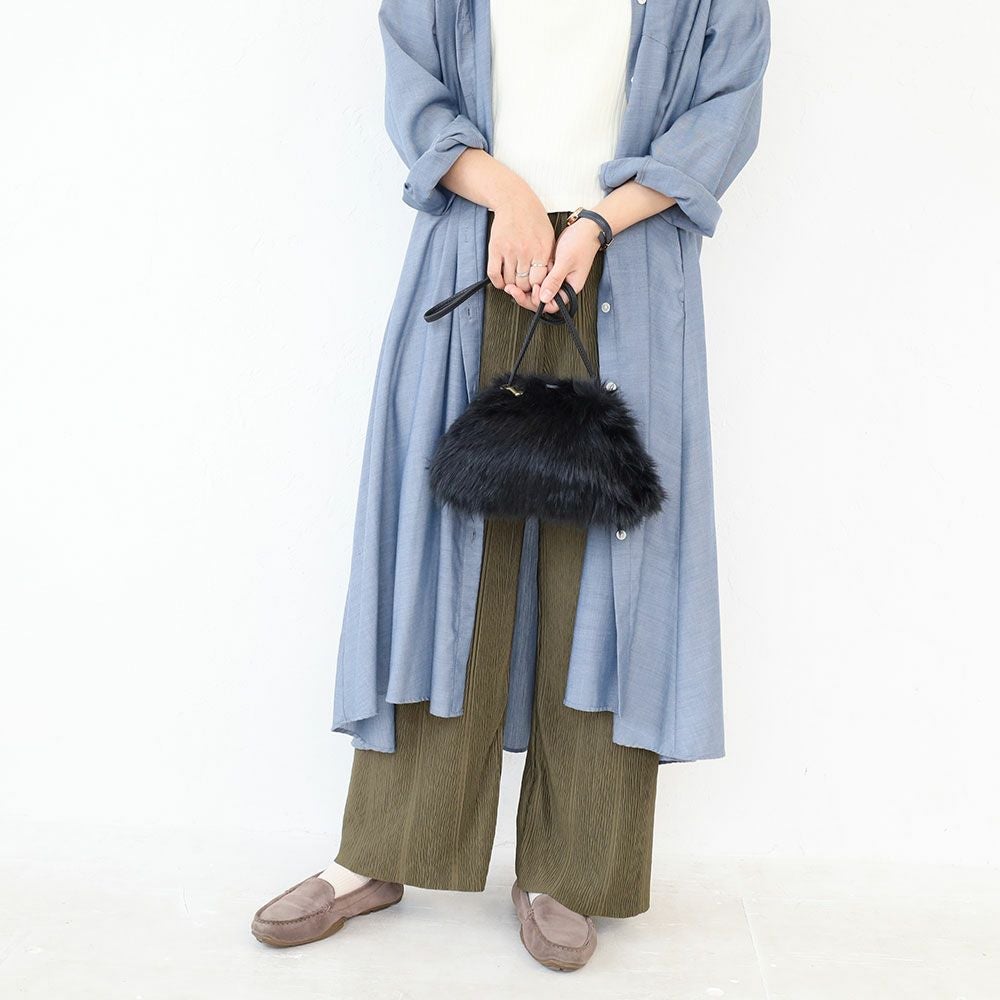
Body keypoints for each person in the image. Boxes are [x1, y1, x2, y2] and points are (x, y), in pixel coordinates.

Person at [251, 0, 770, 973]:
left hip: (627, 266)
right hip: (474, 255)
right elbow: (418, 87)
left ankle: (569, 870)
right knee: (444, 566)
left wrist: (596, 222)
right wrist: (513, 198)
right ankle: (381, 850)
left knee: (606, 578)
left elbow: (721, 110)